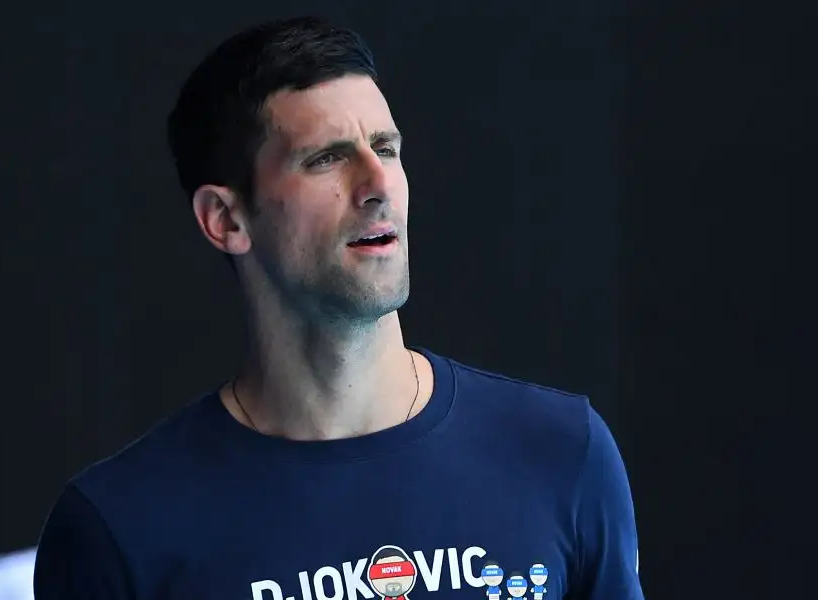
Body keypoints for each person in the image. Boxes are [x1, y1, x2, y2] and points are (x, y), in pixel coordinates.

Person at [32, 16, 643, 600]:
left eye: (386, 147)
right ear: (225, 219)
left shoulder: (561, 453)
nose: (378, 184)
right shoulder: (123, 527)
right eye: (326, 158)